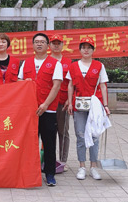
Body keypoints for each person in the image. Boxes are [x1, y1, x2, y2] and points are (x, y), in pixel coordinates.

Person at [18, 33, 62, 187]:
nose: (39, 44)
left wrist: (45, 105)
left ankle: (50, 174)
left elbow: (56, 86)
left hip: (48, 110)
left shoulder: (55, 64)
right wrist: (24, 82)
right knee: (29, 143)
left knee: (49, 143)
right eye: (36, 42)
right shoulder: (26, 62)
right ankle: (29, 172)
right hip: (29, 111)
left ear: (47, 45)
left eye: (42, 42)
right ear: (32, 45)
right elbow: (19, 80)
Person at [67, 36, 110, 181]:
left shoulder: (99, 66)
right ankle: (82, 166)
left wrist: (105, 105)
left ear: (93, 50)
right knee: (80, 135)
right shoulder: (73, 66)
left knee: (94, 136)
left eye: (89, 48)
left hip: (95, 106)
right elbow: (70, 85)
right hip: (78, 105)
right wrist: (70, 103)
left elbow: (103, 86)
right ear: (79, 50)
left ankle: (93, 167)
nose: (86, 50)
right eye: (83, 47)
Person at [49, 34, 72, 167]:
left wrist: (69, 99)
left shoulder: (68, 62)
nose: (56, 46)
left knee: (63, 131)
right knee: (48, 131)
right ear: (49, 45)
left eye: (59, 43)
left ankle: (63, 161)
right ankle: (47, 159)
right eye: (54, 43)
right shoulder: (45, 60)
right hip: (47, 102)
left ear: (63, 45)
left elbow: (72, 82)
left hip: (62, 101)